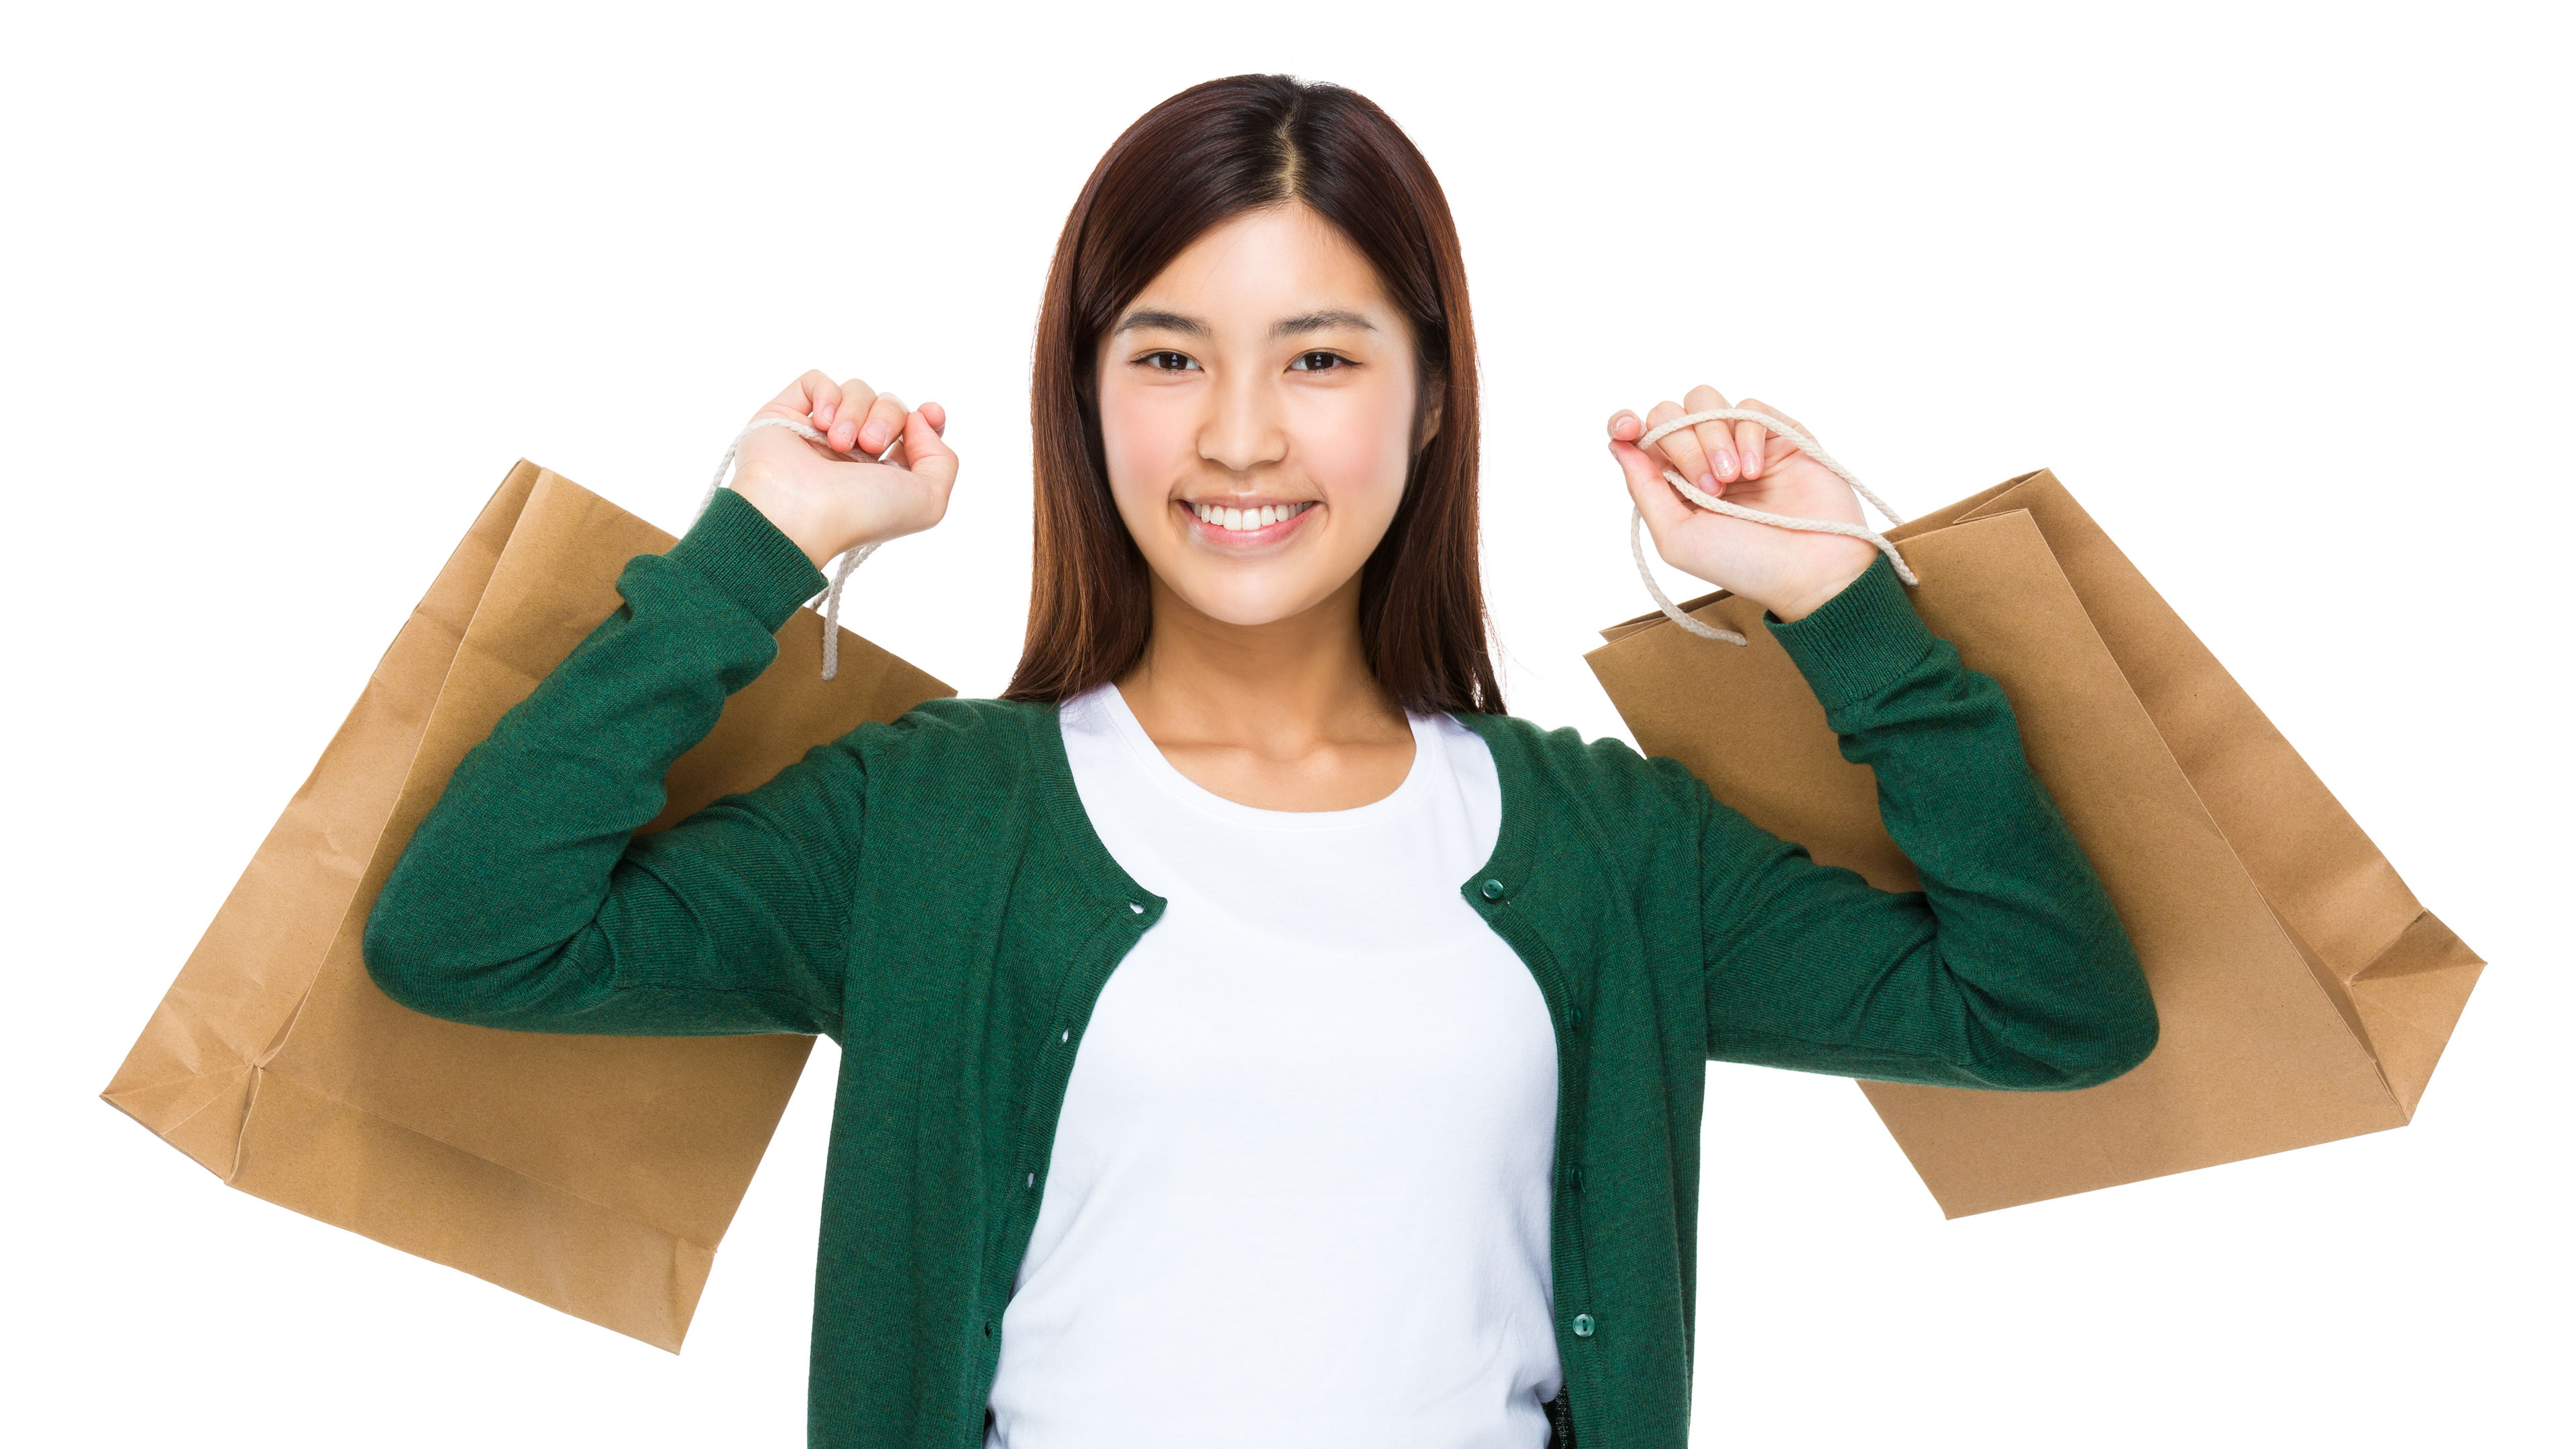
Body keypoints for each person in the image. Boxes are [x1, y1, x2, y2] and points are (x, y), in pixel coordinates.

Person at [364, 74, 2157, 1449]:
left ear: (1430, 393)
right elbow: (467, 936)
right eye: (1168, 354)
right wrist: (756, 547)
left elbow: (2051, 1013)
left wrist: (1839, 600)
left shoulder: (1612, 848)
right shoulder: (922, 820)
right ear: (1087, 392)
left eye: (1318, 356)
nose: (1239, 434)